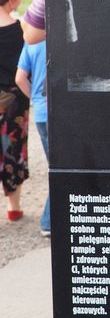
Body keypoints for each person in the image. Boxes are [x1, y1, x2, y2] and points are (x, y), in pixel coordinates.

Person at [0, 0, 29, 221]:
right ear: (11, 0)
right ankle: (13, 208)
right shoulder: (19, 30)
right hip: (15, 101)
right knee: (13, 152)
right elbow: (23, 71)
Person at [16, 39, 50, 236]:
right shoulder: (62, 37)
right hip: (58, 113)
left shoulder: (31, 41)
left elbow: (20, 78)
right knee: (62, 167)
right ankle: (48, 221)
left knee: (54, 165)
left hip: (41, 113)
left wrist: (35, 100)